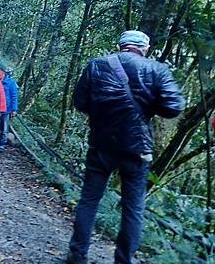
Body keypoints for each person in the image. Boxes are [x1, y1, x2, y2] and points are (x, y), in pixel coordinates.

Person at [65, 30, 185, 264]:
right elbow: (174, 107)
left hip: (101, 144)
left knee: (89, 200)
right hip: (137, 148)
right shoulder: (157, 70)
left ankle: (76, 255)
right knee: (133, 208)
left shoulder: (96, 65)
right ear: (144, 48)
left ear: (121, 45)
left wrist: (102, 114)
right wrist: (149, 106)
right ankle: (123, 260)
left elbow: (79, 102)